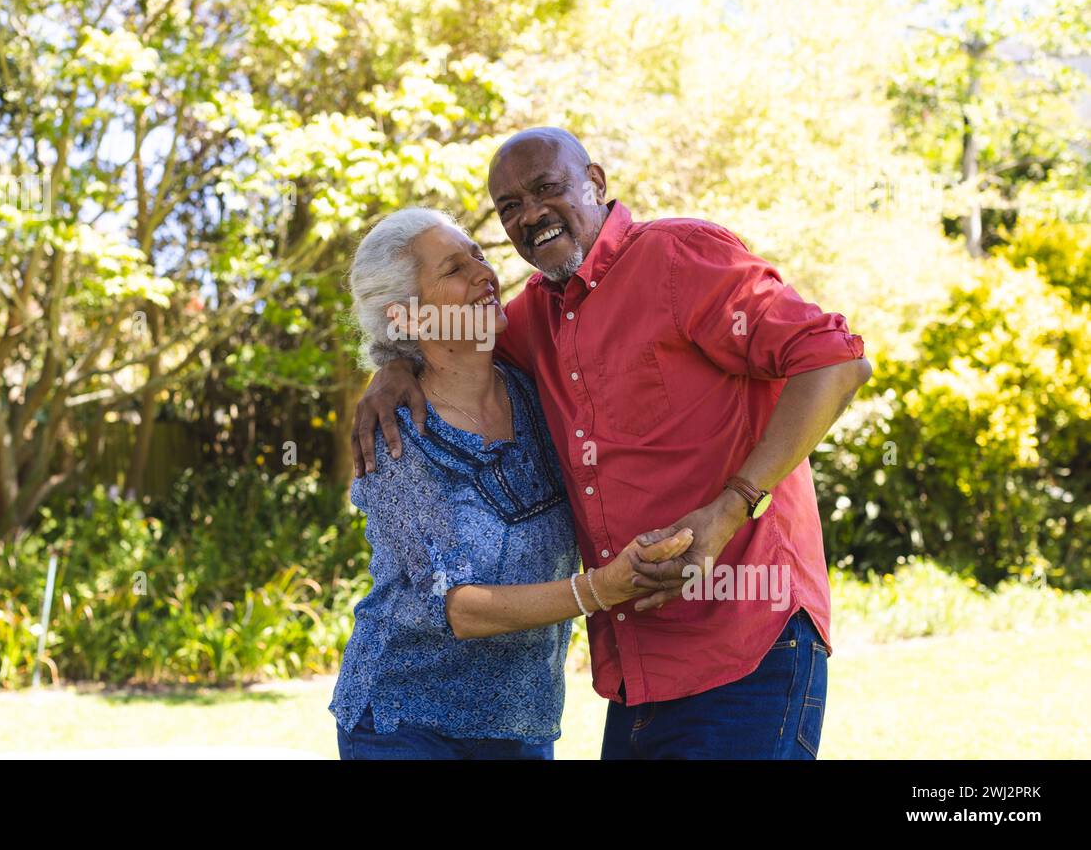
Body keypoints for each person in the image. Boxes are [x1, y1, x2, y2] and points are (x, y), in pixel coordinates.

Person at [352, 129, 873, 759]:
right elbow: (449, 347)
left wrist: (731, 506)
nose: (530, 214)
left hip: (748, 639)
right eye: (509, 207)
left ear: (595, 183)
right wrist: (393, 368)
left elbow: (834, 362)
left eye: (547, 188)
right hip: (638, 668)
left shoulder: (680, 255)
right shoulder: (531, 320)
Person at [329, 206, 694, 759]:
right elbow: (453, 605)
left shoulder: (542, 394)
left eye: (477, 254)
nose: (485, 272)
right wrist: (602, 589)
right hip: (404, 722)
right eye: (453, 269)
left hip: (521, 724)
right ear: (406, 317)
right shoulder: (394, 437)